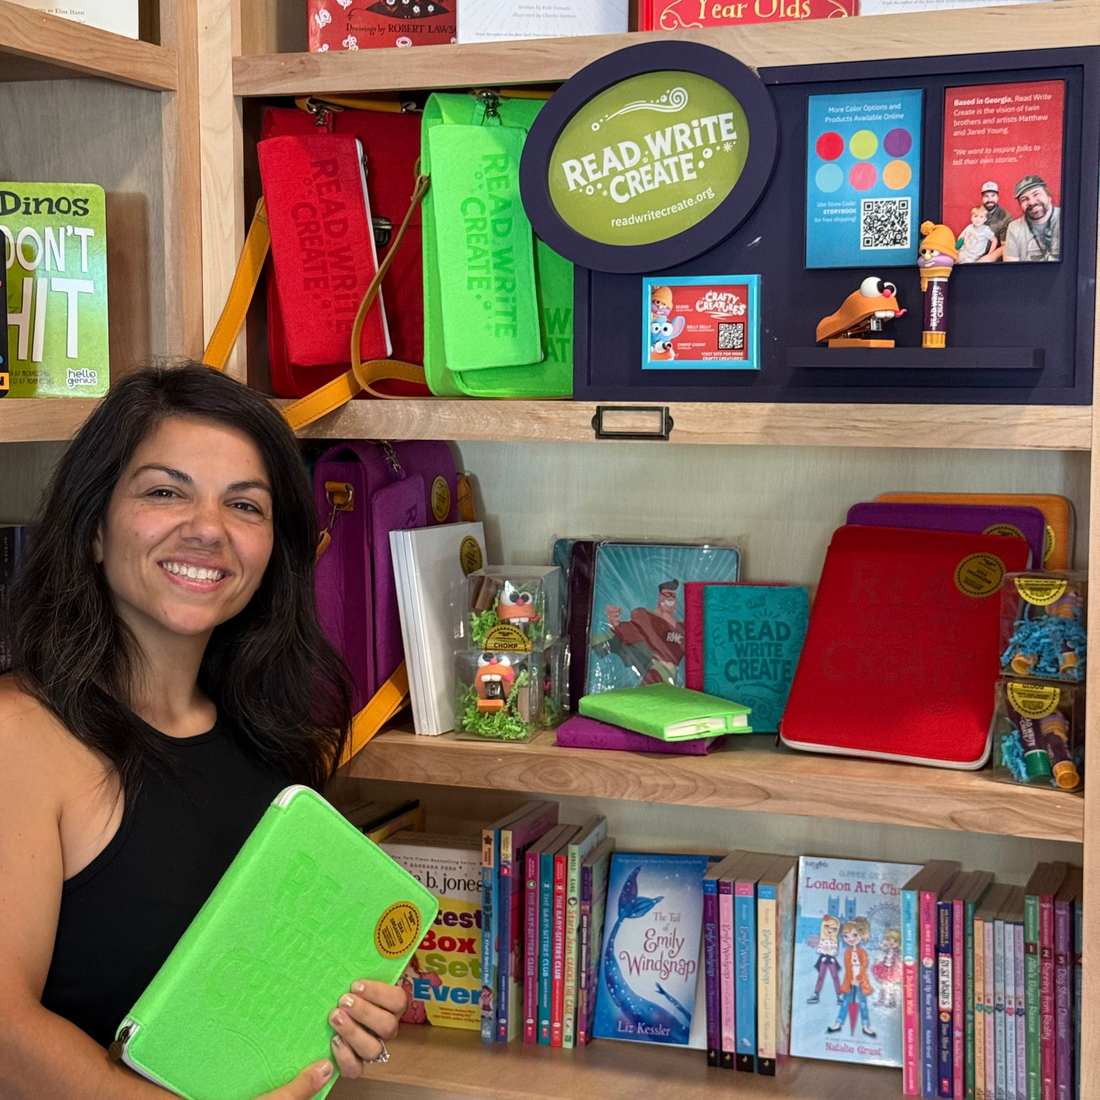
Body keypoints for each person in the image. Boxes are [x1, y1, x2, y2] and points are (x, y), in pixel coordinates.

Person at [0, 364, 406, 1100]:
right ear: (94, 527)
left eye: (245, 506)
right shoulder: (19, 735)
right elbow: (4, 1037)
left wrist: (344, 1019)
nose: (209, 529)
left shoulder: (270, 743)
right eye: (165, 491)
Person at [598, 579, 685, 686]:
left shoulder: (682, 626)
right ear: (660, 596)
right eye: (667, 594)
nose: (670, 598)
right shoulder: (645, 616)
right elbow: (630, 632)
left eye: (673, 595)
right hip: (654, 670)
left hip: (675, 674)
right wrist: (614, 622)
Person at [1004, 174, 1061, 262]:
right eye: (1024, 199)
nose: (1032, 202)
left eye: (1036, 194)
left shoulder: (1067, 219)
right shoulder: (1014, 227)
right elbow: (1010, 269)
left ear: (1048, 196)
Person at [978, 181, 1012, 246]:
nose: (989, 199)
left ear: (997, 197)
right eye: (986, 196)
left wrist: (986, 256)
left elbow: (1005, 247)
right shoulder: (978, 212)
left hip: (993, 254)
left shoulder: (1006, 218)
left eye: (993, 196)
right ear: (982, 198)